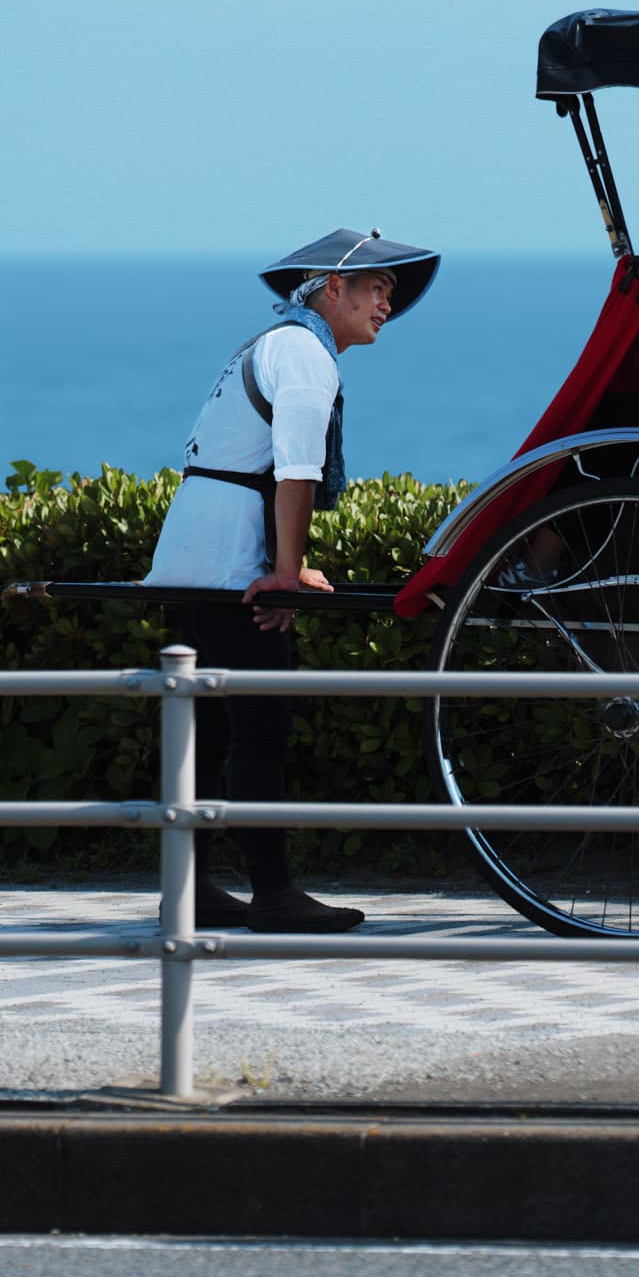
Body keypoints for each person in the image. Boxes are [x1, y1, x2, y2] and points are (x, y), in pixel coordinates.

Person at [145, 227, 440, 933]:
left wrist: (289, 566)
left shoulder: (271, 344)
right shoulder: (306, 354)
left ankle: (190, 890)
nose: (385, 305)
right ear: (331, 289)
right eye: (375, 289)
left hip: (194, 541)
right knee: (260, 724)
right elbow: (296, 472)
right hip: (226, 556)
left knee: (211, 727)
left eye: (390, 294)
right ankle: (273, 894)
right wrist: (282, 576)